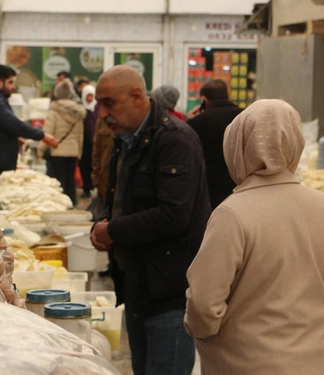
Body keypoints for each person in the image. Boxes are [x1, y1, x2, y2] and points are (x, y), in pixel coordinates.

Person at [184, 99, 324, 375]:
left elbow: (204, 304)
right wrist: (303, 310)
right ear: (295, 145)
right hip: (319, 361)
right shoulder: (321, 203)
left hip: (247, 363)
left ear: (236, 146)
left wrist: (210, 330)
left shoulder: (232, 213)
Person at [90, 65, 211, 375]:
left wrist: (113, 231)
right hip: (136, 284)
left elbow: (174, 215)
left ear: (136, 96)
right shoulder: (128, 139)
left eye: (108, 103)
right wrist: (103, 223)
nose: (102, 113)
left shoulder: (175, 140)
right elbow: (119, 198)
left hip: (168, 291)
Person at [0, 64, 58, 176]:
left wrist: (14, 138)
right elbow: (12, 123)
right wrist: (43, 135)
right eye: (10, 82)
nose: (13, 87)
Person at [187, 79, 243, 209]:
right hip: (240, 185)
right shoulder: (243, 115)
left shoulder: (197, 123)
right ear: (227, 95)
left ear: (205, 100)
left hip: (210, 189)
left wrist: (189, 121)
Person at [39, 79, 86, 206]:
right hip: (73, 151)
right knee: (70, 180)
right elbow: (81, 135)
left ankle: (60, 205)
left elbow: (48, 132)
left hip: (57, 150)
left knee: (58, 181)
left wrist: (41, 149)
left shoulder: (54, 111)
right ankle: (72, 204)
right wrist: (79, 151)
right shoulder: (78, 112)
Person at [80, 84, 97, 198]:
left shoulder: (98, 108)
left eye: (91, 96)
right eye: (87, 96)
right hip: (84, 142)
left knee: (94, 165)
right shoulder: (81, 109)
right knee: (84, 165)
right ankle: (87, 187)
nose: (89, 99)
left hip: (96, 142)